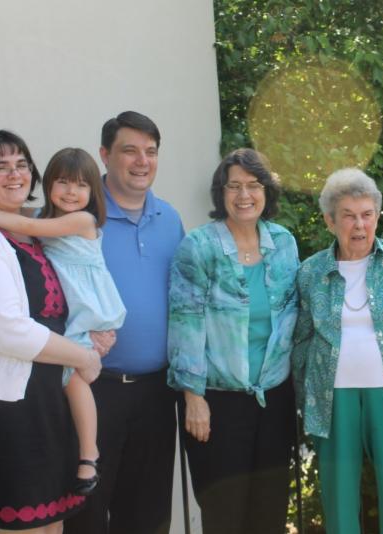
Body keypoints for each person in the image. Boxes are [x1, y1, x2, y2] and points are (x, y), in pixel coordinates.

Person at [0, 130, 103, 532]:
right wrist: (83, 357)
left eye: (21, 165)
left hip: (43, 402)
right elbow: (9, 331)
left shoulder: (34, 230)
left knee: (50, 524)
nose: (15, 175)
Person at [0, 147, 127, 497]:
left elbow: (26, 224)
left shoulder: (81, 221)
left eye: (81, 186)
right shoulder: (46, 217)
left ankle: (89, 454)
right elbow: (19, 218)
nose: (71, 192)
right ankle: (81, 452)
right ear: (48, 185)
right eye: (62, 182)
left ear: (94, 193)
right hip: (75, 313)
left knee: (75, 380)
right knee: (69, 379)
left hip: (91, 311)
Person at [292, 167, 383, 534]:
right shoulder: (311, 272)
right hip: (332, 398)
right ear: (330, 221)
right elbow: (301, 339)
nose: (359, 225)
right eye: (348, 216)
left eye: (367, 215)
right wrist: (303, 395)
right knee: (339, 494)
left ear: (376, 216)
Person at [63, 111, 185, 534]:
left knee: (148, 515)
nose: (141, 161)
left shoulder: (169, 219)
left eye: (150, 152)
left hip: (156, 391)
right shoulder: (78, 211)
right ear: (104, 154)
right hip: (94, 389)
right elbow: (29, 267)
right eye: (129, 150)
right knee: (87, 515)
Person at [168, 148, 299, 533]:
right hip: (217, 403)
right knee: (224, 514)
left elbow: (296, 317)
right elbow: (185, 323)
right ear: (220, 193)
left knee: (270, 512)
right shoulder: (199, 247)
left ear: (267, 192)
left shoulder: (284, 243)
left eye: (254, 185)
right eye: (234, 186)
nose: (245, 195)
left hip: (274, 398)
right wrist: (193, 397)